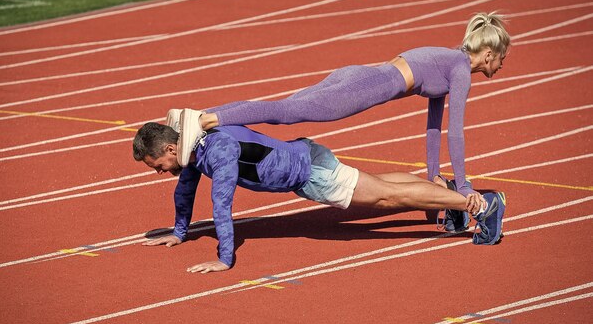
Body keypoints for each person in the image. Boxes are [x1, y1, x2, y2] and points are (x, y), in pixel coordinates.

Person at [174, 12, 510, 227]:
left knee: (284, 107)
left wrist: (435, 175)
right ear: (490, 54)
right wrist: (464, 185)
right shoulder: (461, 69)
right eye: (502, 59)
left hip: (357, 76)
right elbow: (456, 133)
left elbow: (434, 126)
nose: (501, 66)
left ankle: (202, 116)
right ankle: (205, 119)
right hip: (366, 86)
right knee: (286, 111)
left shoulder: (449, 60)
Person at [133, 115, 506, 274]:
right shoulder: (197, 145)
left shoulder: (218, 152)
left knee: (387, 199)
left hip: (311, 174)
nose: (161, 173)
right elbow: (185, 189)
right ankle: (442, 189)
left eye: (157, 166)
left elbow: (222, 204)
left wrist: (225, 259)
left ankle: (479, 204)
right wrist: (180, 231)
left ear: (169, 150)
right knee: (381, 184)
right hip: (307, 156)